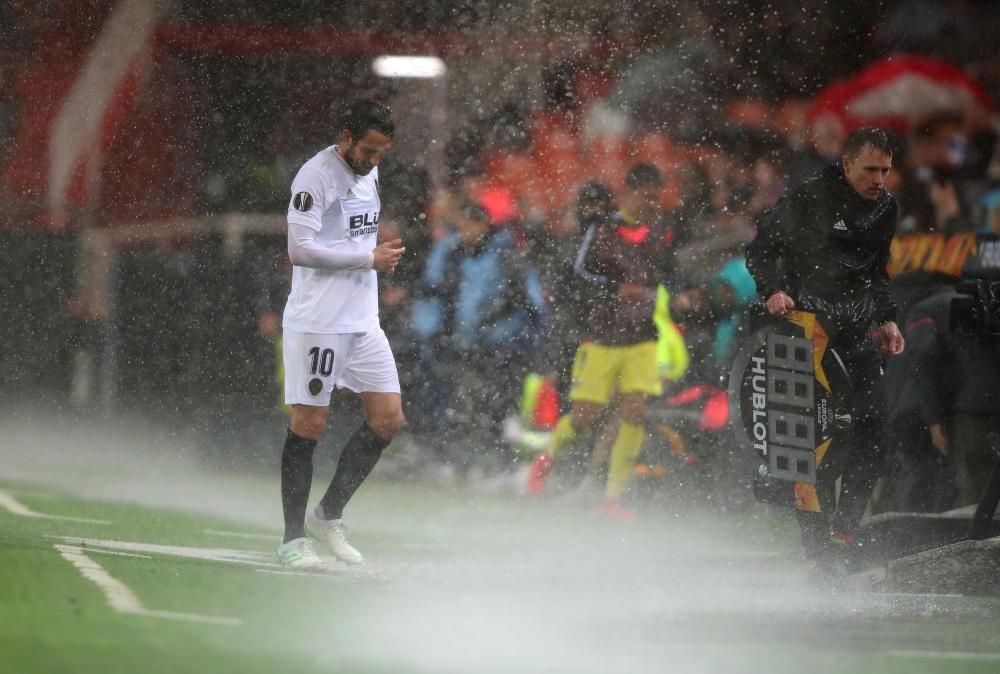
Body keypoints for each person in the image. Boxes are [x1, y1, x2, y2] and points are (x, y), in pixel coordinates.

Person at [745, 126, 905, 568]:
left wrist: (888, 317)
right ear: (847, 163)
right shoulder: (809, 197)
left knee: (874, 431)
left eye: (886, 170)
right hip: (806, 326)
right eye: (870, 169)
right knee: (808, 445)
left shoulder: (886, 208)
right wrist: (773, 290)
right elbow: (759, 251)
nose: (879, 179)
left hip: (857, 332)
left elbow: (876, 271)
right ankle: (816, 550)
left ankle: (844, 534)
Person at [276, 99, 407, 571]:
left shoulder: (369, 171)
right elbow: (300, 249)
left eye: (382, 154)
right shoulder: (315, 176)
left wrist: (371, 253)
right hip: (319, 321)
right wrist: (367, 259)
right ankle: (292, 540)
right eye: (369, 150)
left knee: (388, 420)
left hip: (362, 319)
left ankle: (328, 514)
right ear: (347, 137)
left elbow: (352, 235)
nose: (374, 162)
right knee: (309, 424)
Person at [526, 163, 674, 519]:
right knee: (583, 418)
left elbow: (668, 274)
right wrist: (614, 289)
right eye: (648, 196)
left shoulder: (659, 233)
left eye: (657, 197)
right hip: (603, 337)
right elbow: (576, 274)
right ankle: (546, 459)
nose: (653, 203)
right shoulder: (603, 228)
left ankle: (613, 499)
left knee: (634, 413)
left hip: (642, 337)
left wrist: (680, 295)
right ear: (631, 193)